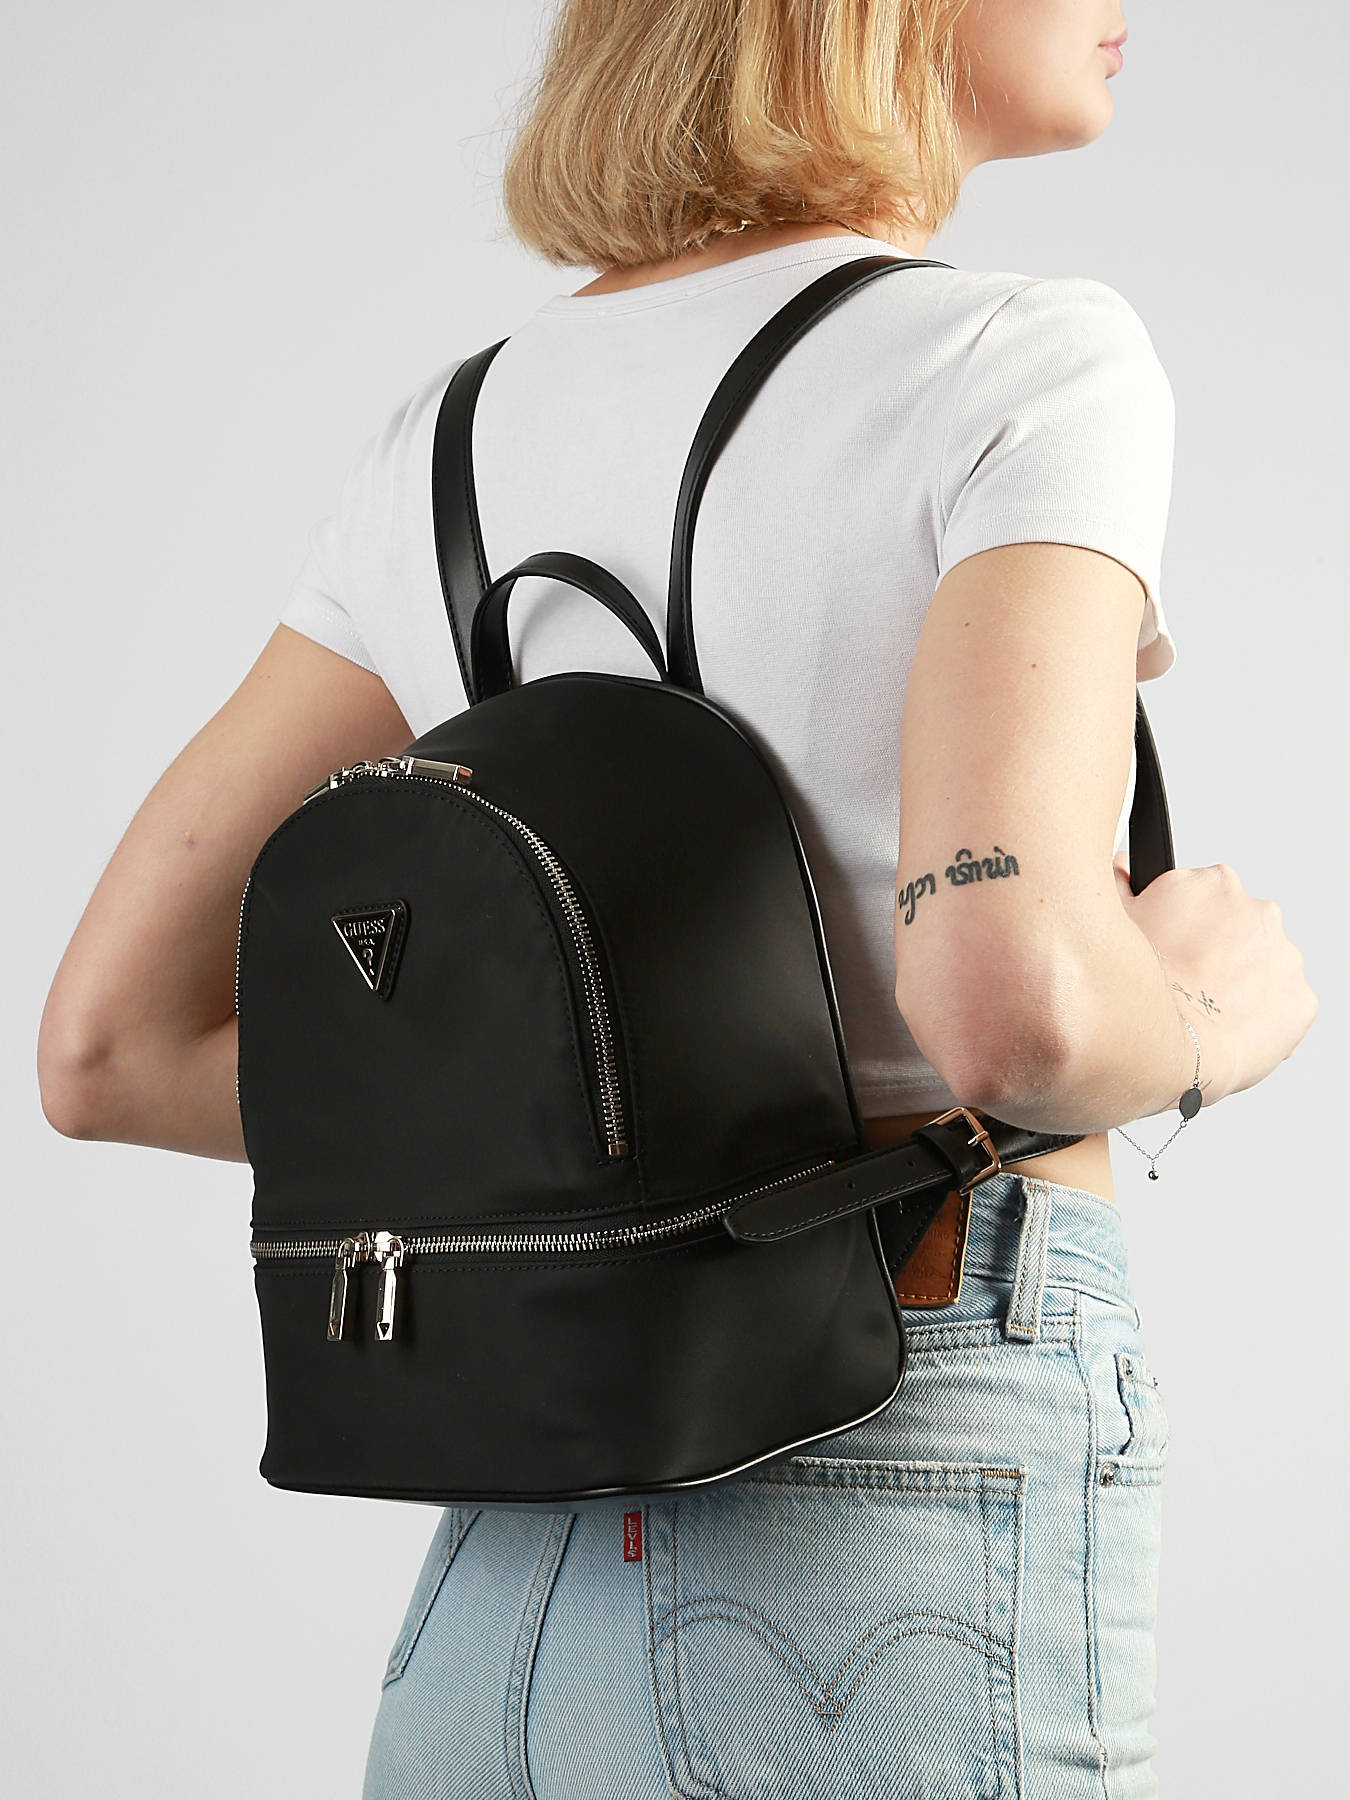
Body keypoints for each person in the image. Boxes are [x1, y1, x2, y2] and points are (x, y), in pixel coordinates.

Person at [37, 2, 1317, 1796]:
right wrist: (1200, 1013)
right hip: (904, 1441)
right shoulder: (1022, 360)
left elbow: (108, 1048)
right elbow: (1013, 1014)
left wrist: (584, 1146)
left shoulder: (450, 437)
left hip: (513, 1542)